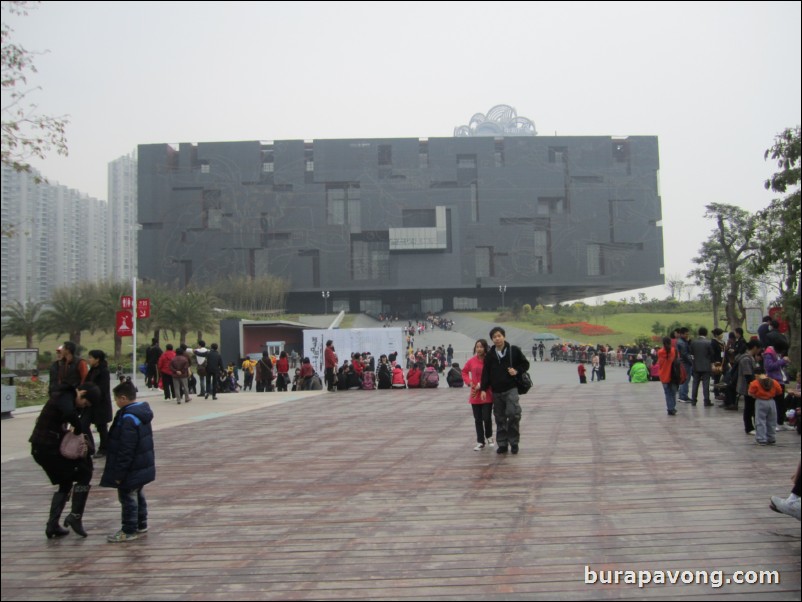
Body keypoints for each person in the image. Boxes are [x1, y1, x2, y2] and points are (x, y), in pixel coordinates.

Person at [30, 383, 101, 538]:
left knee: (67, 481)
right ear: (81, 393)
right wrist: (79, 427)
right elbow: (69, 413)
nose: (83, 406)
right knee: (84, 472)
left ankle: (53, 525)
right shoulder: (65, 396)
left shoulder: (67, 398)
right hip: (46, 449)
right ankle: (75, 517)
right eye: (85, 402)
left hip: (45, 449)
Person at [100, 380, 155, 543]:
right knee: (138, 494)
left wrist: (119, 472)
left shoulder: (128, 418)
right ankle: (141, 523)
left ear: (123, 398)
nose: (115, 402)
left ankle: (129, 529)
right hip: (140, 465)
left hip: (130, 467)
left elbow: (126, 448)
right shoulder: (139, 414)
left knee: (127, 497)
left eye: (116, 398)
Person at [479, 327, 530, 455]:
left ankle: (514, 442)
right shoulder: (490, 355)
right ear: (492, 339)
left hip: (511, 388)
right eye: (494, 337)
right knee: (499, 417)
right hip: (497, 391)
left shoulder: (514, 351)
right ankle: (502, 443)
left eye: (499, 336)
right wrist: (484, 389)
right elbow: (486, 373)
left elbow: (525, 364)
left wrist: (516, 370)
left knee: (513, 414)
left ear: (504, 337)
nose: (497, 338)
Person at [462, 339, 494, 450]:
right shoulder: (471, 361)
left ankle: (489, 436)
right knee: (478, 419)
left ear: (485, 348)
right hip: (475, 393)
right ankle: (480, 441)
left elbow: (492, 374)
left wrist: (482, 384)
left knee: (486, 417)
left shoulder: (489, 360)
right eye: (477, 347)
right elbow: (464, 372)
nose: (479, 349)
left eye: (481, 347)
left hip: (486, 393)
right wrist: (469, 382)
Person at [86, 349, 113, 457]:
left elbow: (103, 388)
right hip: (92, 402)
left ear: (97, 359)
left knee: (102, 427)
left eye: (91, 358)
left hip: (101, 403)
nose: (89, 360)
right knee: (91, 425)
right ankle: (91, 447)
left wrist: (93, 395)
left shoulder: (103, 371)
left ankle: (104, 449)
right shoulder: (92, 370)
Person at [749, 367, 782, 445]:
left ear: (757, 375)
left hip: (760, 401)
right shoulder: (774, 382)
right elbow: (779, 391)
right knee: (772, 420)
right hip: (771, 401)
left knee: (760, 420)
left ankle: (761, 438)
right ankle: (771, 438)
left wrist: (756, 395)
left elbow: (750, 393)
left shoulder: (755, 383)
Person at [737, 340, 762, 435]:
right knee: (749, 407)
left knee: (751, 407)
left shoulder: (750, 358)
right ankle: (749, 427)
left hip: (750, 386)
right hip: (747, 387)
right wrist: (755, 386)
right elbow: (748, 375)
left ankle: (753, 426)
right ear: (755, 347)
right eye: (759, 349)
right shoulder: (746, 359)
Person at [690, 326, 715, 406]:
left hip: (696, 366)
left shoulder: (693, 342)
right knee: (705, 384)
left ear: (699, 333)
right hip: (706, 366)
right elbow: (712, 354)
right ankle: (706, 400)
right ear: (706, 333)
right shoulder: (708, 342)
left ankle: (693, 400)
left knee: (695, 383)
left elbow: (691, 353)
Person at [657, 336, 678, 415]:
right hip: (673, 375)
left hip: (663, 375)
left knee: (667, 393)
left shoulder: (659, 352)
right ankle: (672, 407)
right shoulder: (674, 351)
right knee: (673, 392)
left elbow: (660, 363)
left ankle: (670, 408)